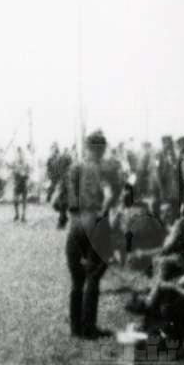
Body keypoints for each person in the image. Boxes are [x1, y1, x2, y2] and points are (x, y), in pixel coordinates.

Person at [62, 130, 115, 338]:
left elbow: (66, 198)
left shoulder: (75, 167)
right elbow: (109, 195)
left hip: (76, 222)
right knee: (93, 275)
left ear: (86, 147)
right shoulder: (103, 169)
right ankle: (89, 327)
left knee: (77, 279)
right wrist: (103, 213)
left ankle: (75, 327)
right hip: (95, 220)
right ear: (102, 149)